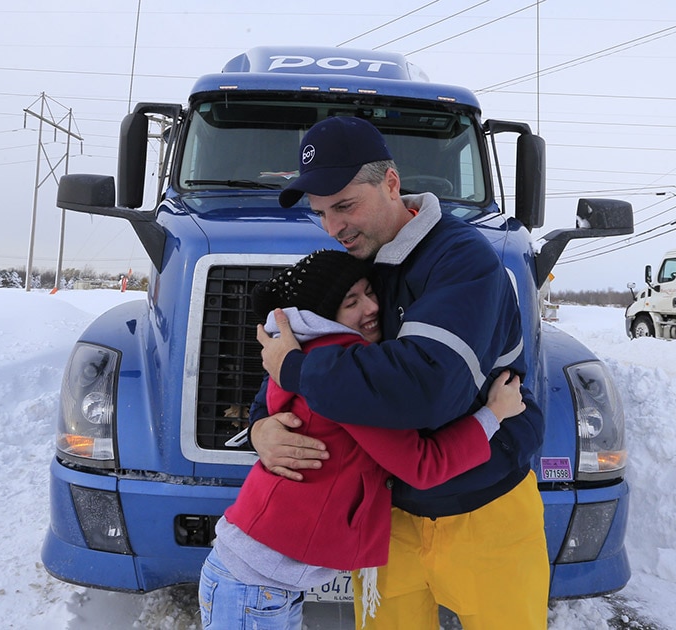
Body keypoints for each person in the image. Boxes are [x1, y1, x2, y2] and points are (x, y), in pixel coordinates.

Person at [251, 116, 550, 629]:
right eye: (321, 212)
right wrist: (262, 426)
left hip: (485, 512)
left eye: (344, 205)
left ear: (392, 183)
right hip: (387, 516)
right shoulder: (355, 263)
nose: (333, 227)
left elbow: (425, 389)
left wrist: (301, 371)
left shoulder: (463, 262)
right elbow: (294, 350)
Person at [200, 249, 525, 630]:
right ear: (324, 316)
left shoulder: (310, 357)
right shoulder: (343, 378)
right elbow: (423, 464)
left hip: (257, 577)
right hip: (254, 586)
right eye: (351, 302)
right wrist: (493, 415)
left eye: (371, 292)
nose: (371, 307)